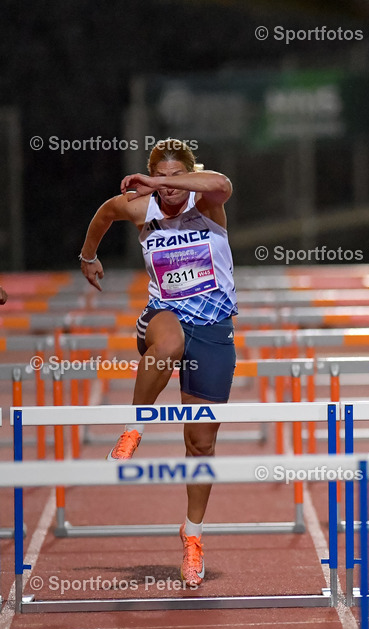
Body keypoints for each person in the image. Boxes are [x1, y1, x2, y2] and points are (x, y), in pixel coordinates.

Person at [79, 139, 237, 587]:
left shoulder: (207, 200)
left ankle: (192, 534)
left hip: (214, 324)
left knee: (201, 443)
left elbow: (222, 182)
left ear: (184, 176)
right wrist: (88, 256)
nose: (166, 192)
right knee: (167, 348)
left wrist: (162, 180)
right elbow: (105, 214)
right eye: (158, 181)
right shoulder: (139, 208)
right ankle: (134, 427)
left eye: (173, 181)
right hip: (164, 315)